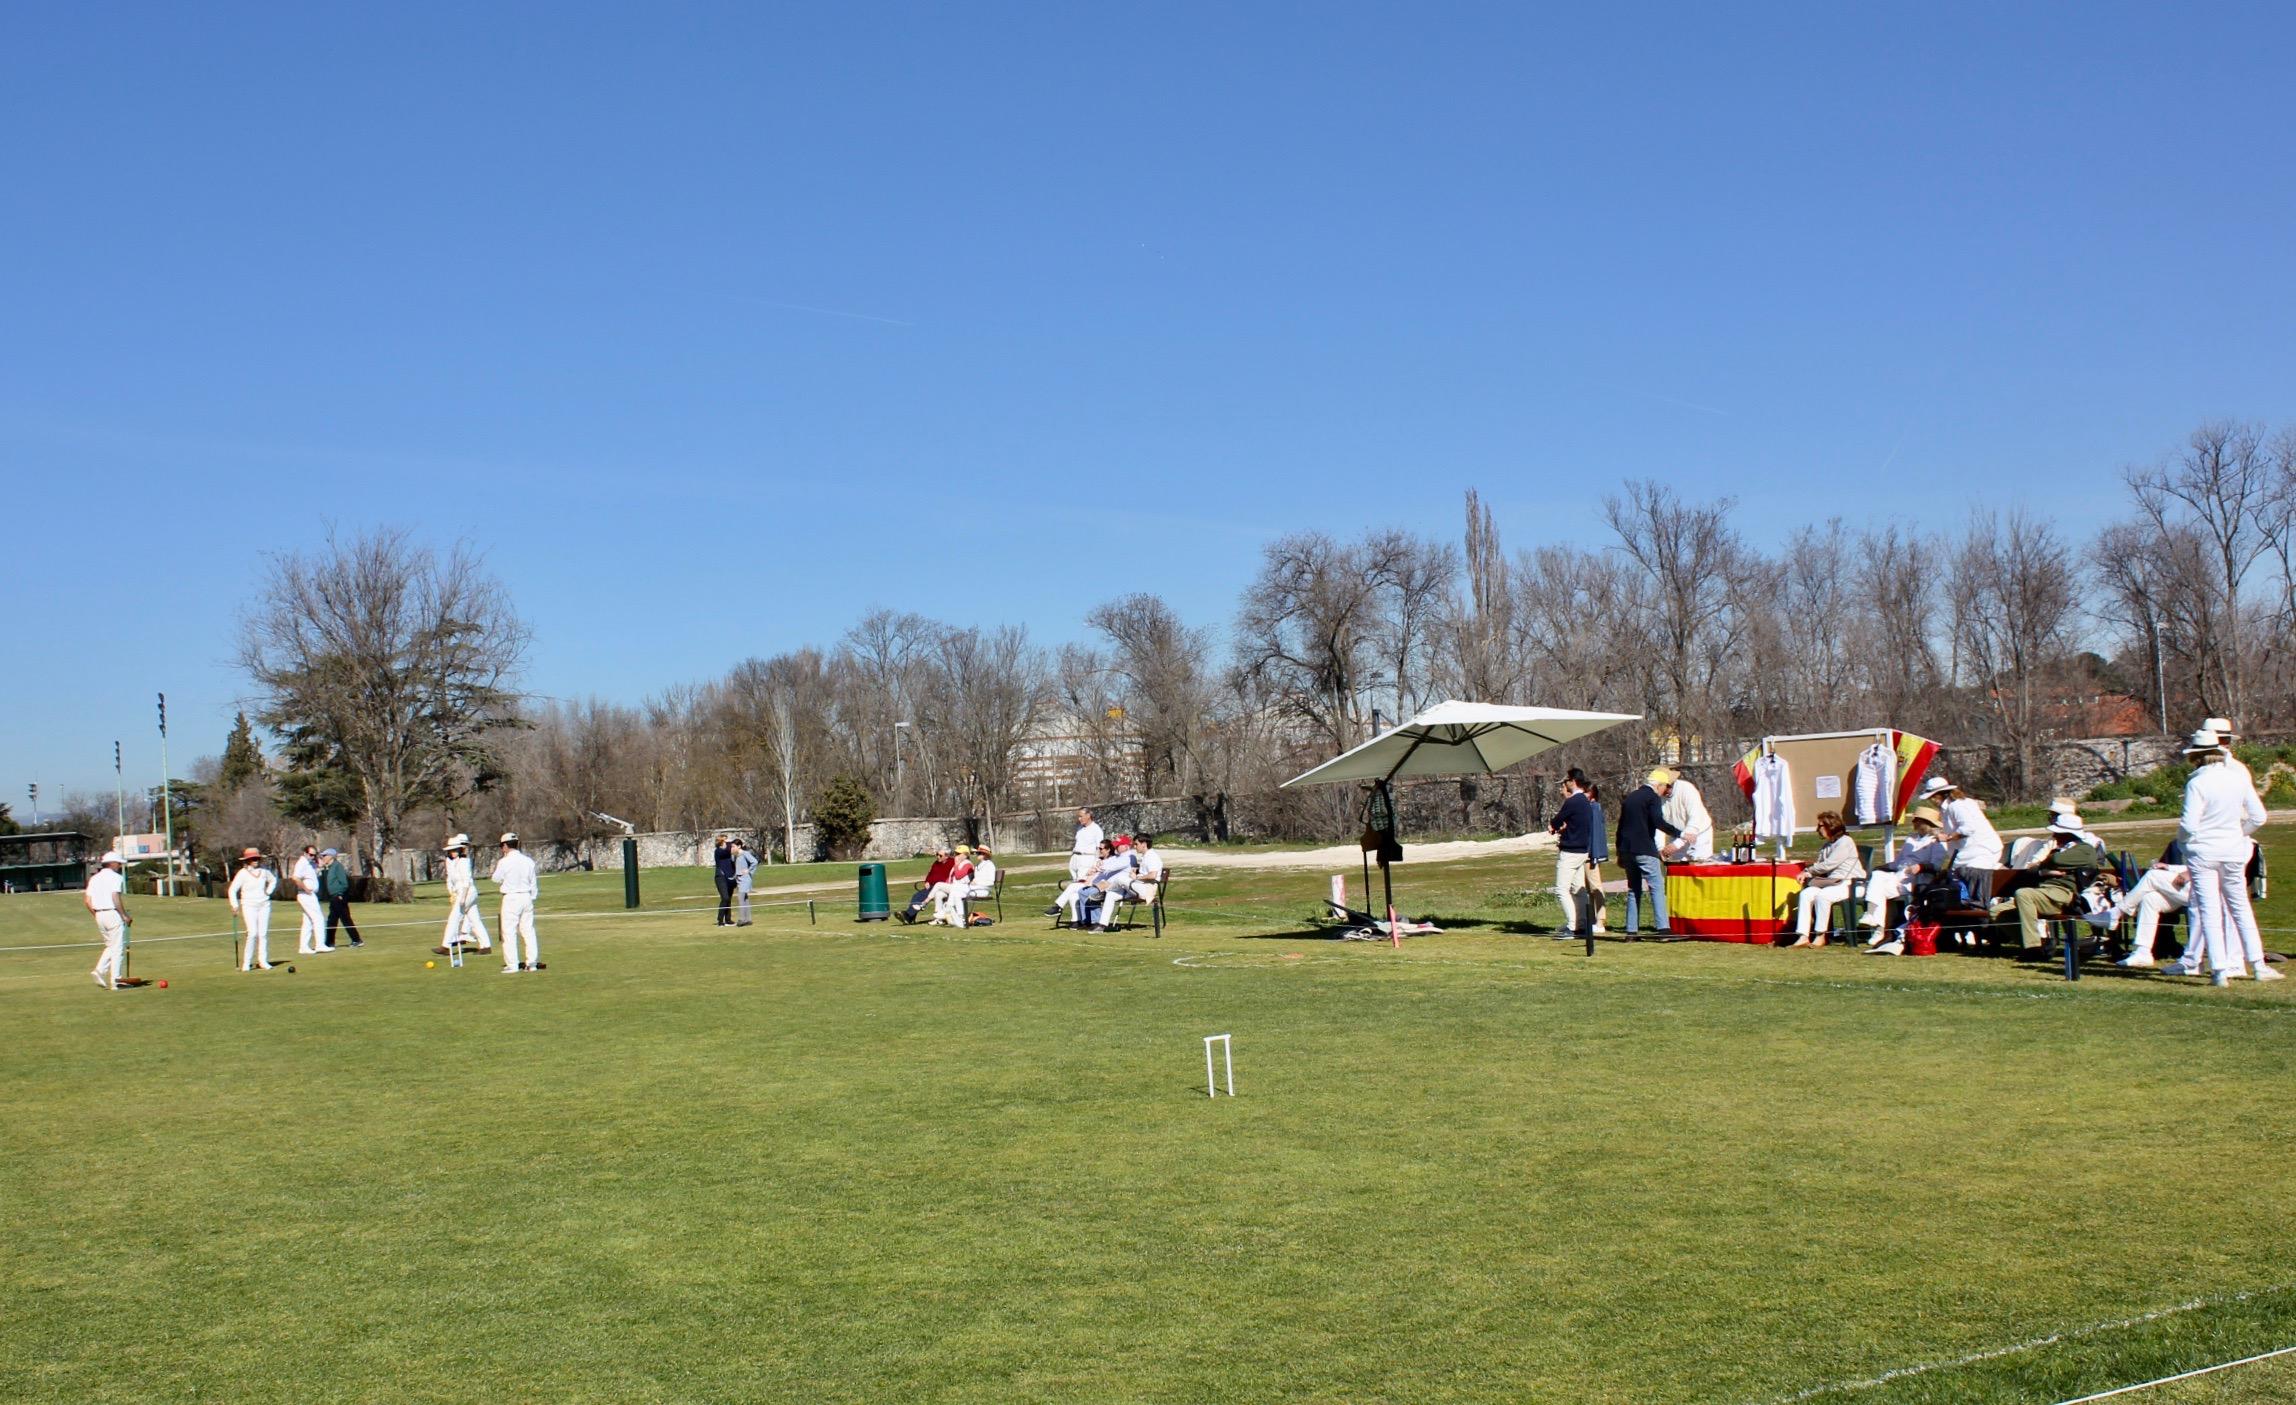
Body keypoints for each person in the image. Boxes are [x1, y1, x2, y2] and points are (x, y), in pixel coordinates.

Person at [2173, 730, 2273, 985]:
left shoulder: (2197, 783)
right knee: (2240, 907)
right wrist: (2238, 834)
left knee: (2209, 909)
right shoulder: (2236, 779)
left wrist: (2184, 843)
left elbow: (2189, 823)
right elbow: (2258, 817)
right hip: (2231, 849)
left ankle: (2219, 971)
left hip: (2203, 850)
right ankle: (2258, 965)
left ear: (2197, 756)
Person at [2009, 814, 2103, 952]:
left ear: (2068, 834)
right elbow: (2030, 869)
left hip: (2064, 893)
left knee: (2023, 894)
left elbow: (2056, 860)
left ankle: (2032, 948)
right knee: (1997, 911)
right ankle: (2043, 945)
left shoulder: (2084, 850)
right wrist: (2044, 872)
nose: (2053, 835)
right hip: (2043, 893)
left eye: (2057, 832)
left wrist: (2044, 861)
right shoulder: (2057, 848)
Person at [2092, 839, 2190, 969]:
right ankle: (2142, 951)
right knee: (2150, 899)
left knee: (2152, 876)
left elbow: (2211, 864)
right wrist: (2170, 867)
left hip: (2208, 890)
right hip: (2194, 885)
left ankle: (2116, 913)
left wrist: (2184, 871)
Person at [1857, 804, 1948, 944]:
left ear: (1925, 823)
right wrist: (1881, 867)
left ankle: (1874, 921)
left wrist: (1920, 866)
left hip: (1917, 879)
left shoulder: (1937, 842)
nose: (1914, 823)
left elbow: (1936, 865)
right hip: (1899, 875)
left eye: (1916, 820)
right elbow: (1897, 862)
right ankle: (1878, 925)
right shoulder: (1911, 839)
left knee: (1879, 885)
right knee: (1877, 877)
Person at [1616, 770, 1682, 937]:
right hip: (1644, 848)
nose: (1665, 790)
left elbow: (1620, 827)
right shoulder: (1652, 798)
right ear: (1658, 785)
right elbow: (1658, 821)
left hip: (1626, 849)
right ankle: (1663, 929)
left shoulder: (1630, 797)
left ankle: (1631, 931)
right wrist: (1678, 833)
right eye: (1665, 786)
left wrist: (1619, 852)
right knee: (1656, 887)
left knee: (1633, 889)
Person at [1788, 811, 1864, 947]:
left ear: (1831, 826)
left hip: (1850, 883)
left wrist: (1807, 872)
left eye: (1821, 826)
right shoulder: (1827, 846)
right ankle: (1803, 936)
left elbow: (1829, 864)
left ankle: (1821, 935)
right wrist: (1808, 873)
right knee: (1806, 894)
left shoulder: (1845, 842)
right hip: (1831, 883)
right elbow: (1820, 866)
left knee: (1823, 896)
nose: (1818, 830)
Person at [1548, 774, 1597, 937]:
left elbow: (1557, 821)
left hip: (1570, 851)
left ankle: (1572, 926)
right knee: (1578, 889)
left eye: (1565, 782)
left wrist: (1554, 827)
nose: (1564, 786)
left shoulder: (1573, 801)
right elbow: (1577, 825)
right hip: (1582, 850)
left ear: (1573, 782)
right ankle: (1582, 924)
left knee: (1561, 889)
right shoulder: (1585, 801)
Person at [434, 833, 494, 957]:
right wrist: (451, 893)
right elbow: (450, 879)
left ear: (460, 849)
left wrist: (462, 897)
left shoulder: (464, 861)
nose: (452, 853)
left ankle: (446, 946)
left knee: (454, 918)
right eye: (450, 850)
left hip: (468, 892)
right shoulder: (449, 861)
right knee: (475, 920)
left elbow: (466, 881)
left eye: (454, 850)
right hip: (458, 892)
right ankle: (486, 946)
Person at [491, 832, 542, 973]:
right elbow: (534, 884)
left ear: (505, 846)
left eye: (502, 846)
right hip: (526, 897)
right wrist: (531, 898)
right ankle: (532, 963)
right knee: (528, 930)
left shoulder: (504, 862)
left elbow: (495, 878)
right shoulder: (528, 861)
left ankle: (512, 964)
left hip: (511, 898)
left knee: (509, 932)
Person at [85, 850, 130, 990]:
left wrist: (98, 915)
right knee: (117, 948)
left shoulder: (94, 878)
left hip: (99, 915)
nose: (120, 866)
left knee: (111, 946)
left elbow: (87, 901)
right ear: (113, 863)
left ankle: (99, 971)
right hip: (112, 913)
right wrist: (124, 916)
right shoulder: (116, 877)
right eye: (119, 863)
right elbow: (115, 897)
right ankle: (116, 980)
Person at [228, 846, 277, 971]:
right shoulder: (242, 873)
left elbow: (273, 881)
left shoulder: (264, 871)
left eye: (256, 858)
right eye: (252, 858)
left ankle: (263, 961)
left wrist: (268, 892)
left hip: (264, 904)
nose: (255, 860)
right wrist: (234, 905)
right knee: (252, 933)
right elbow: (232, 890)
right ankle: (246, 962)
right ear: (247, 860)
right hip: (249, 905)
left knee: (263, 933)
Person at [938, 843, 1000, 926]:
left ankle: (947, 911)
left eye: (980, 853)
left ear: (985, 855)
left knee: (956, 889)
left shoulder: (989, 865)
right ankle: (960, 916)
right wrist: (973, 881)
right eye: (977, 853)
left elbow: (991, 882)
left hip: (982, 890)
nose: (977, 854)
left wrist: (977, 882)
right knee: (956, 890)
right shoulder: (978, 865)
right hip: (974, 888)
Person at [1581, 778, 1612, 935]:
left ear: (1592, 793)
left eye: (1586, 792)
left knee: (1595, 887)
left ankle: (1600, 921)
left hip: (1590, 854)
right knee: (1588, 889)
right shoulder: (1588, 808)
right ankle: (1592, 920)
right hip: (1585, 854)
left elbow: (1595, 834)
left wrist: (1595, 855)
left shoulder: (1594, 808)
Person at [1660, 774, 1714, 861]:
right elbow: (1659, 823)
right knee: (1678, 870)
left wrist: (1677, 844)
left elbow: (1695, 820)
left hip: (1699, 835)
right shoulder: (1658, 797)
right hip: (1677, 836)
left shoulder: (1687, 789)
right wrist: (1662, 848)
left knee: (1701, 867)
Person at [319, 848, 362, 949]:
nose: (323, 858)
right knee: (332, 920)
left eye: (324, 856)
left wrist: (340, 893)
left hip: (339, 897)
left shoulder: (337, 866)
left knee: (345, 919)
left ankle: (356, 940)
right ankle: (329, 942)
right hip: (333, 897)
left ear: (330, 856)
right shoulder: (329, 868)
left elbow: (344, 883)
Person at [902, 846, 956, 924]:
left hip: (942, 887)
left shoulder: (952, 862)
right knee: (916, 896)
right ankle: (910, 917)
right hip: (931, 886)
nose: (938, 857)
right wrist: (927, 881)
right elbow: (930, 873)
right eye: (937, 854)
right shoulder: (936, 863)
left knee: (923, 896)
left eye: (940, 855)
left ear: (947, 856)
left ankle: (908, 916)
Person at [926, 845, 977, 925]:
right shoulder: (958, 863)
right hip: (953, 887)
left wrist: (956, 864)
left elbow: (958, 876)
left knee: (938, 884)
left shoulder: (967, 864)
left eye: (958, 854)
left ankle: (925, 902)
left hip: (961, 888)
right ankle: (939, 919)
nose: (956, 855)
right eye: (955, 853)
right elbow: (950, 877)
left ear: (965, 855)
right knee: (938, 894)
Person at [291, 843, 324, 955]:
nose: (312, 857)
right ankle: (320, 945)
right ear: (305, 853)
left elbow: (319, 867)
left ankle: (304, 947)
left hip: (309, 894)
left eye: (314, 855)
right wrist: (305, 888)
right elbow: (295, 878)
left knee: (308, 922)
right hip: (306, 894)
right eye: (310, 855)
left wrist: (318, 861)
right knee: (318, 918)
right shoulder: (302, 863)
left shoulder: (310, 864)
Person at [1068, 808, 1105, 882]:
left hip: (1086, 859)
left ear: (1088, 815)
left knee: (1082, 881)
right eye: (1079, 817)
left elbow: (1099, 848)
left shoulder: (1096, 829)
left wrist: (1096, 863)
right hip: (1075, 858)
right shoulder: (1080, 828)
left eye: (1081, 816)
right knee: (1074, 881)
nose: (1079, 819)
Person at [730, 838, 759, 927]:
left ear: (739, 846)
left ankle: (742, 919)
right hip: (739, 879)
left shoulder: (745, 854)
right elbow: (734, 863)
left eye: (734, 846)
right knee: (745, 899)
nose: (732, 848)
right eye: (732, 846)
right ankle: (748, 919)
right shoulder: (736, 855)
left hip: (745, 879)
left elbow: (755, 862)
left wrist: (748, 870)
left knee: (741, 898)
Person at [712, 836, 737, 927]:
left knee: (729, 899)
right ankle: (720, 920)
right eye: (725, 840)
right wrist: (731, 844)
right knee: (725, 898)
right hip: (720, 877)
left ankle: (728, 919)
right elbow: (726, 852)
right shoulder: (718, 851)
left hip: (730, 876)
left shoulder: (729, 849)